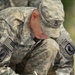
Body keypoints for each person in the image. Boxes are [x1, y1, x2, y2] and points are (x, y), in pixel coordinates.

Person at [0, 0, 74, 75]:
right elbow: (1, 67)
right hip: (6, 65)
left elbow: (67, 61)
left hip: (22, 61)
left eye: (50, 32)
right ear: (35, 15)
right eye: (44, 29)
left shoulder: (53, 22)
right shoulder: (9, 24)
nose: (46, 35)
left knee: (51, 45)